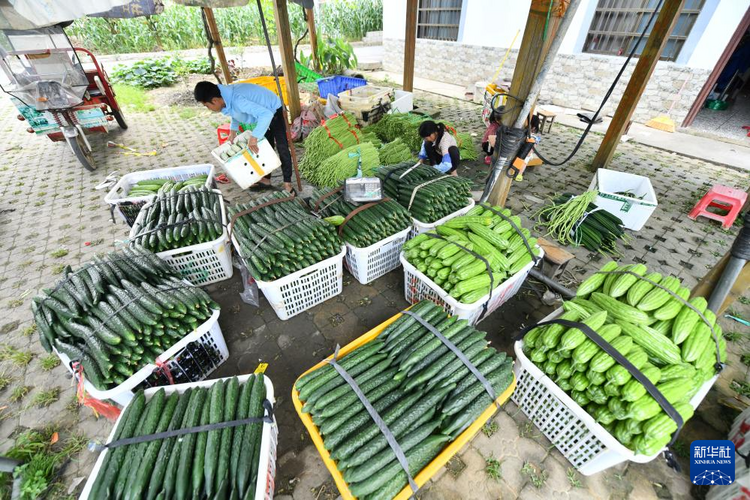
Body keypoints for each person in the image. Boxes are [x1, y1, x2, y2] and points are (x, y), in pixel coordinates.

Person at [194, 80, 293, 192]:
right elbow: (236, 113)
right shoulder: (226, 99)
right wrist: (233, 131)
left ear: (214, 101)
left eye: (206, 106)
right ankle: (266, 179)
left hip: (274, 109)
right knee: (265, 145)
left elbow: (266, 114)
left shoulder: (237, 99)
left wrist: (254, 137)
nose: (208, 109)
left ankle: (287, 183)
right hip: (262, 114)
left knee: (282, 147)